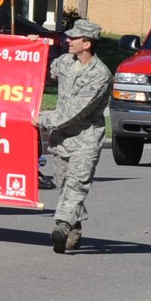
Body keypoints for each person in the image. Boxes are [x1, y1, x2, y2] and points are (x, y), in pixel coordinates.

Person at [36, 18, 111, 253]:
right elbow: (42, 67)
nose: (68, 41)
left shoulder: (99, 75)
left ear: (87, 44)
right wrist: (30, 46)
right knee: (64, 187)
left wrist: (41, 118)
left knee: (77, 187)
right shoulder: (66, 62)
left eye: (74, 38)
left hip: (85, 140)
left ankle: (61, 225)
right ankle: (74, 227)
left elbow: (75, 110)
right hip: (62, 141)